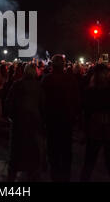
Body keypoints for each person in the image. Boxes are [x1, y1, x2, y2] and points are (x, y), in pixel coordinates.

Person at [41, 54, 80, 182]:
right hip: (66, 119)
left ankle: (55, 175)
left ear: (52, 65)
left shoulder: (46, 80)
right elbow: (76, 100)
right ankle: (65, 176)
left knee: (53, 151)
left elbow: (42, 101)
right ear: (63, 65)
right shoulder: (71, 79)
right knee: (66, 150)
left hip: (52, 119)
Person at [80, 64, 110, 182]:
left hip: (94, 128)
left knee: (89, 162)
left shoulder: (89, 90)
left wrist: (84, 130)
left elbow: (86, 112)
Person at [6, 64, 46, 181]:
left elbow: (9, 102)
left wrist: (13, 117)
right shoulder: (39, 86)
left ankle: (12, 175)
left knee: (16, 151)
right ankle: (32, 174)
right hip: (34, 123)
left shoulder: (17, 84)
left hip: (19, 122)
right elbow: (43, 106)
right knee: (32, 151)